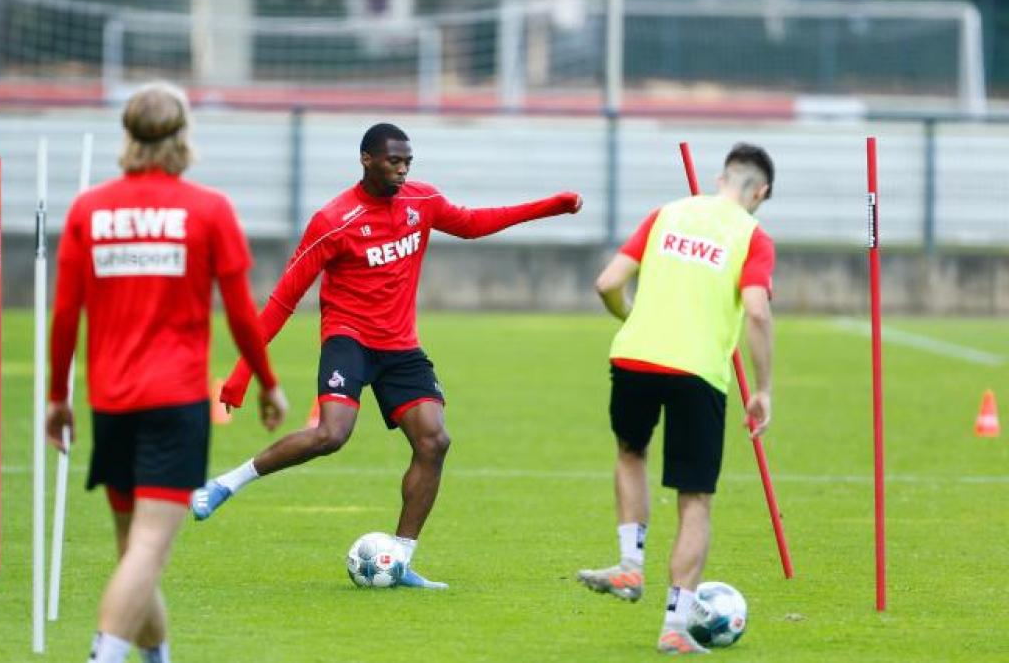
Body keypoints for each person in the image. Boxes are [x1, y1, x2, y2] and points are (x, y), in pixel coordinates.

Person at [190, 122, 583, 588]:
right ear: (367, 160)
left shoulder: (422, 202)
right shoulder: (334, 220)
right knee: (331, 435)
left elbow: (476, 224)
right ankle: (224, 484)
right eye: (394, 161)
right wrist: (241, 374)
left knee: (434, 441)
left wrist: (551, 206)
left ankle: (399, 559)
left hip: (400, 346)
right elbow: (283, 299)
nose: (402, 170)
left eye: (407, 163)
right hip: (348, 339)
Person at [45, 83, 288, 663]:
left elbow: (65, 315)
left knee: (135, 548)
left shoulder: (90, 209)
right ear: (183, 137)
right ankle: (104, 656)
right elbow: (239, 313)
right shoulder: (208, 209)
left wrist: (58, 397)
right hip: (174, 403)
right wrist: (267, 381)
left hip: (111, 402)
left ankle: (157, 656)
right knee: (149, 548)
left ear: (127, 137)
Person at [577, 143, 776, 654]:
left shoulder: (666, 214)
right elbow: (756, 312)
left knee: (630, 452)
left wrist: (631, 317)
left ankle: (628, 567)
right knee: (695, 501)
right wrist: (763, 389)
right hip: (698, 372)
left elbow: (607, 283)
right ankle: (675, 626)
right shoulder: (752, 236)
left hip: (633, 358)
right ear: (762, 192)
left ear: (720, 177)